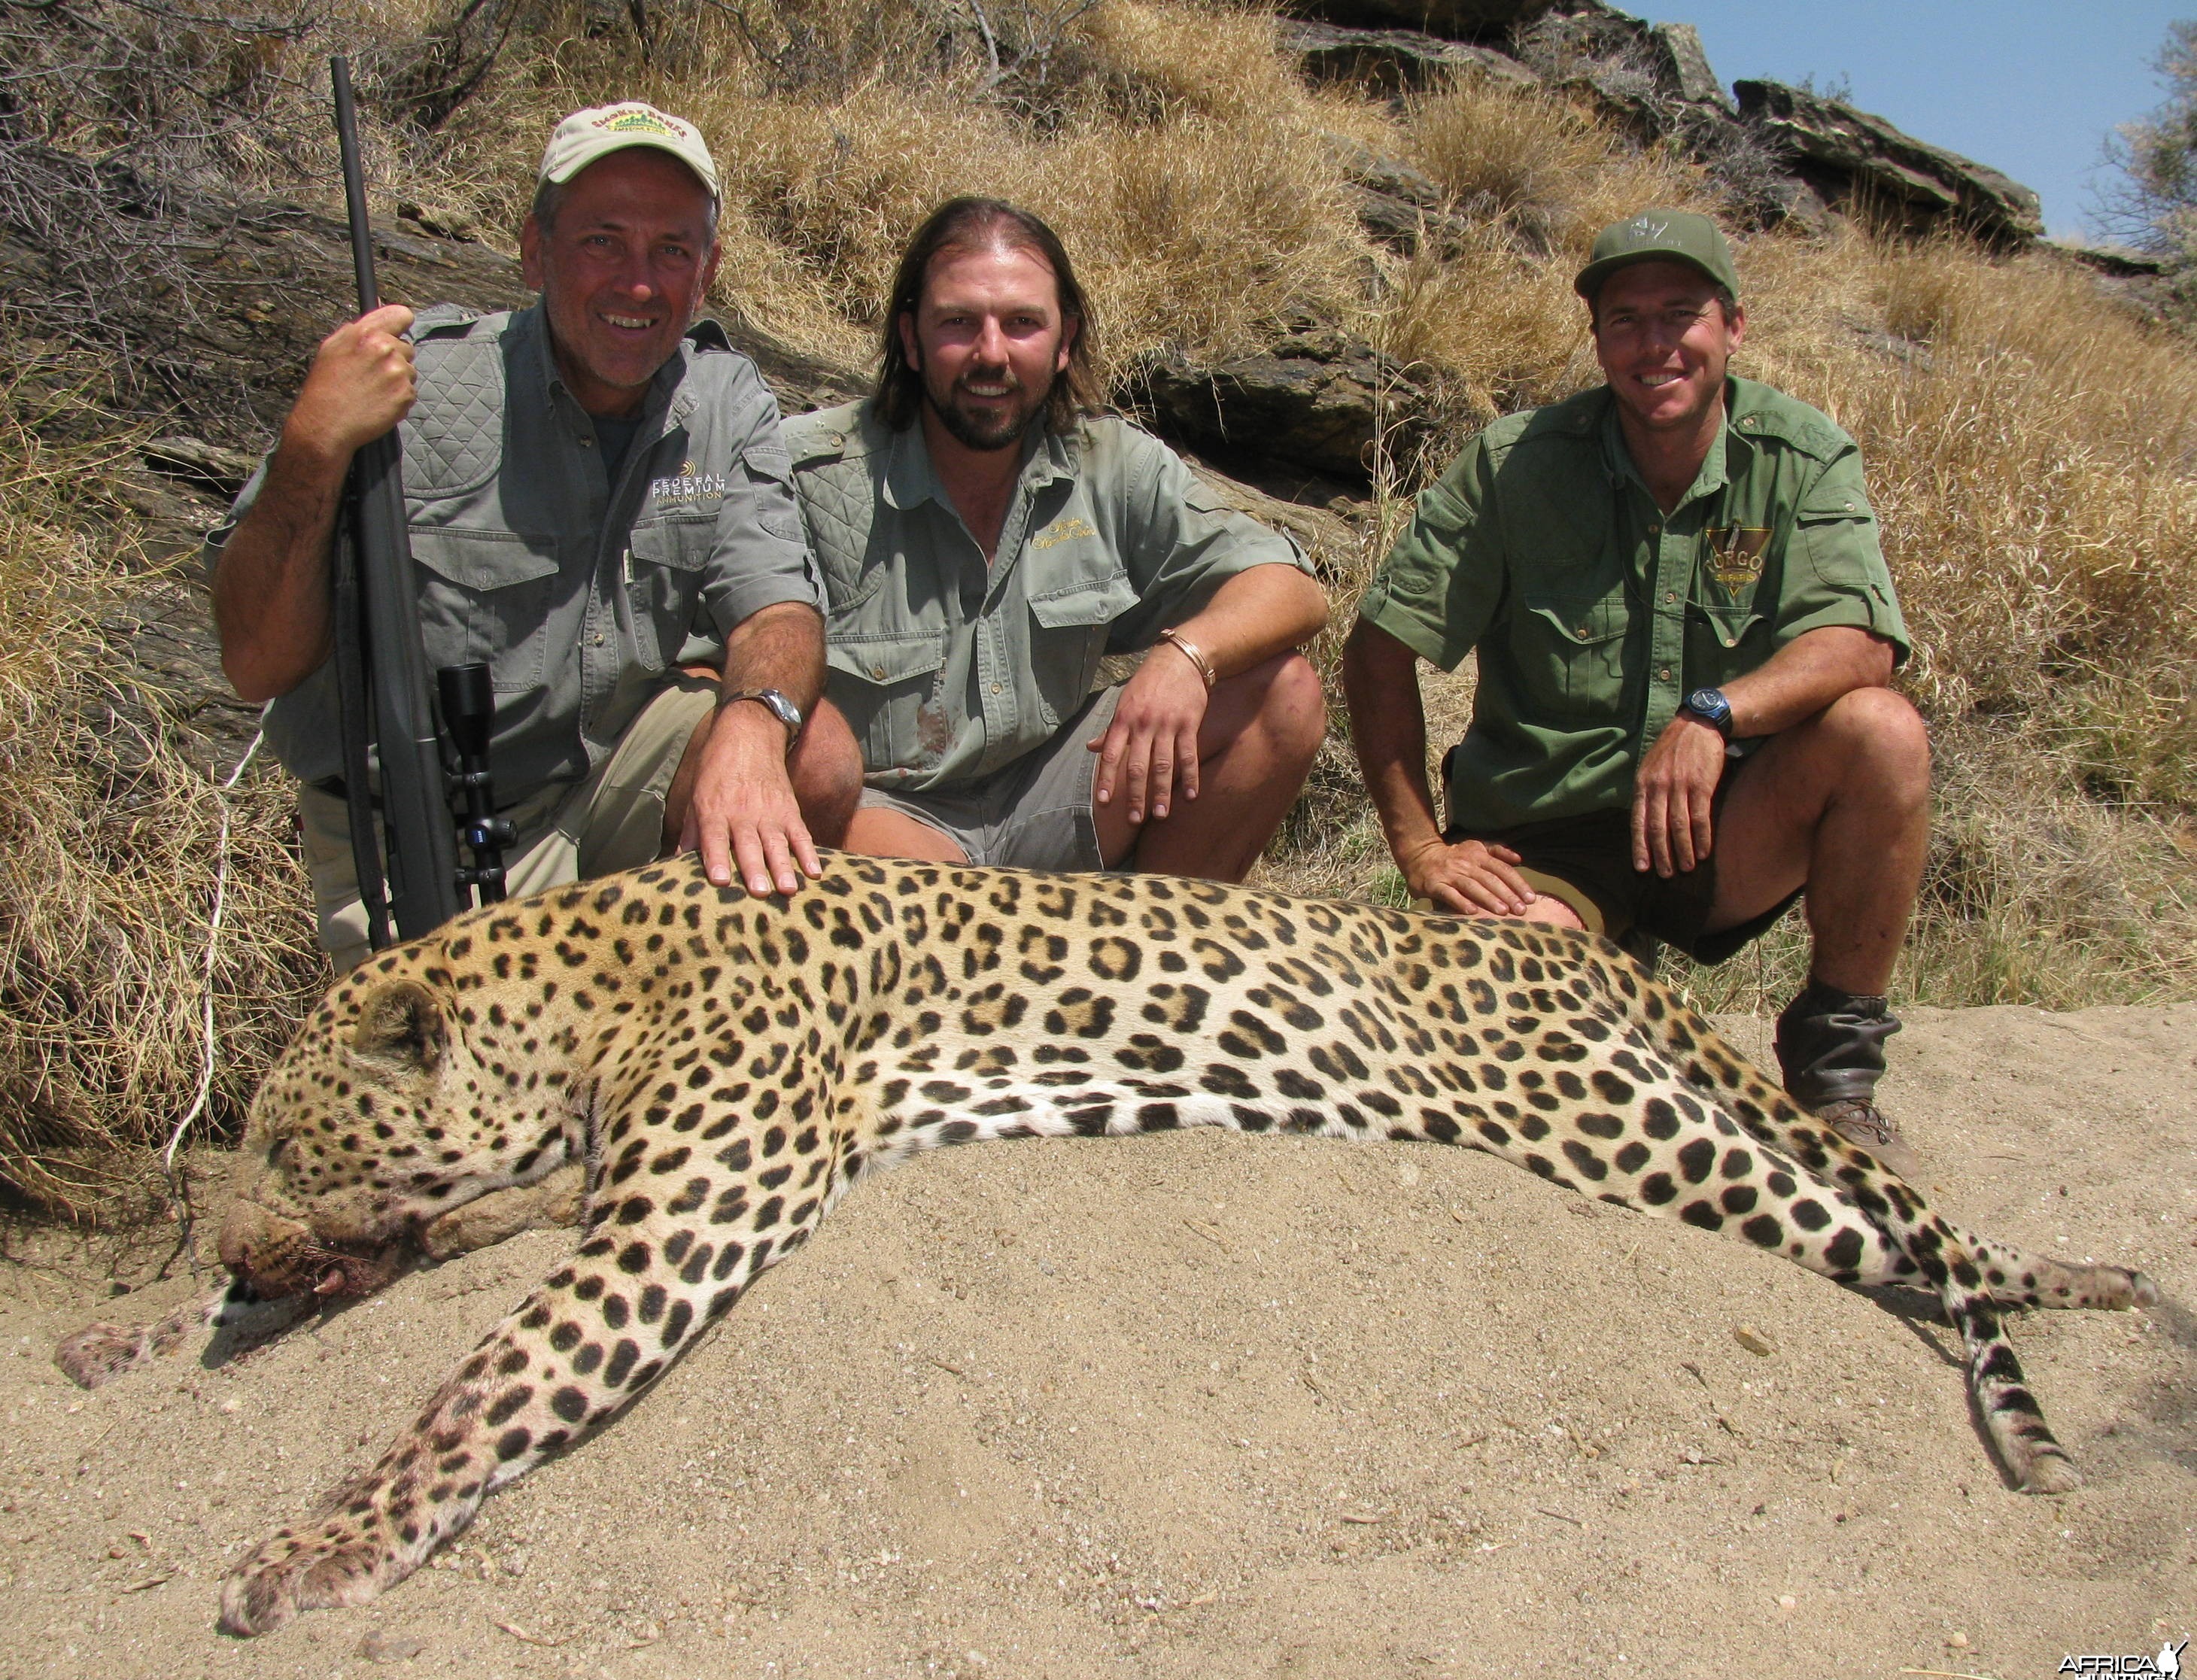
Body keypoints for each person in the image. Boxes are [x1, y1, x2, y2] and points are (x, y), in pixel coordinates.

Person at [1344, 209, 1931, 1175]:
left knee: (1882, 733)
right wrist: (1418, 844)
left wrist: (1715, 716)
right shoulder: (1513, 463)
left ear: (1732, 328)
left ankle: (1835, 1072)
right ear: (1598, 339)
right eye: (1625, 319)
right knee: (1496, 1034)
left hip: (1715, 826)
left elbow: (1860, 644)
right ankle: (1601, 979)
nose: (1655, 344)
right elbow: (1376, 650)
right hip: (1548, 838)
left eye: (1681, 314)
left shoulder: (1803, 455)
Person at [210, 102, 862, 971]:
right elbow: (256, 662)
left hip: (599, 774)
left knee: (811, 753)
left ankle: (678, 1005)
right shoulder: (417, 387)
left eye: (671, 249)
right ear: (533, 250)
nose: (638, 282)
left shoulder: (723, 394)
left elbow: (777, 608)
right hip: (415, 822)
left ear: (706, 273)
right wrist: (312, 447)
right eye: (602, 240)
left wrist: (752, 723)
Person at [784, 197, 1328, 879]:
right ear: (912, 340)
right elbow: (716, 664)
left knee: (1284, 696)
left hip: (1059, 791)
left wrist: (1186, 657)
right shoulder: (806, 474)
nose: (991, 353)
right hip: (884, 822)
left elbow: (1292, 588)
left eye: (1022, 324)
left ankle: (1155, 951)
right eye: (958, 323)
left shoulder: (1109, 462)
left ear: (1064, 339)